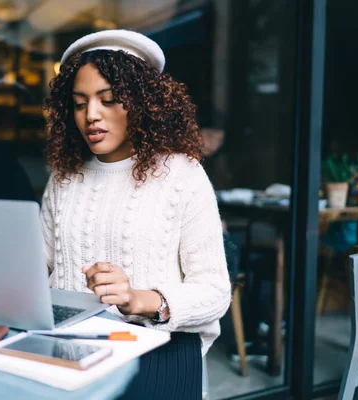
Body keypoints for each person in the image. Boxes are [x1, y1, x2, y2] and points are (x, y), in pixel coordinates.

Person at [42, 30, 231, 399]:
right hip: (70, 346)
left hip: (156, 349)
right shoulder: (64, 178)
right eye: (79, 104)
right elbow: (37, 269)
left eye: (108, 99)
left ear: (142, 103)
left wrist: (138, 299)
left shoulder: (181, 174)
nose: (91, 115)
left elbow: (215, 292)